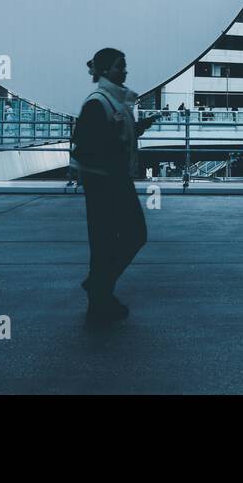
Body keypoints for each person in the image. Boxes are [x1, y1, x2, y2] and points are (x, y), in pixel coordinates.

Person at [70, 48, 158, 322]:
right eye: (121, 65)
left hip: (108, 180)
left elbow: (100, 136)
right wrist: (116, 146)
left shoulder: (108, 102)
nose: (125, 70)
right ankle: (100, 289)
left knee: (106, 241)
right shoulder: (100, 102)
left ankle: (100, 294)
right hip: (108, 181)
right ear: (107, 70)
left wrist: (137, 128)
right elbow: (88, 143)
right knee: (130, 235)